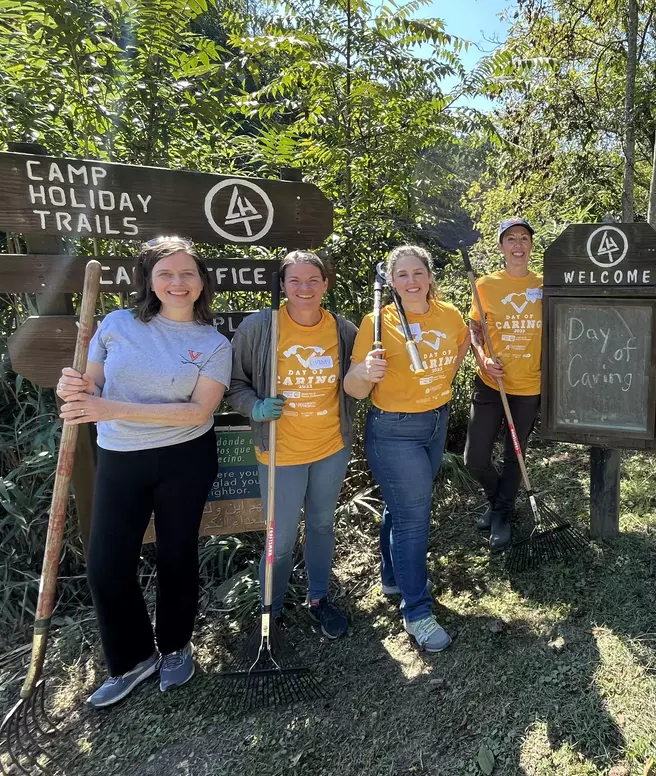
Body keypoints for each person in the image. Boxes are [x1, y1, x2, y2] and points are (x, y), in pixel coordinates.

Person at [55, 237, 231, 708]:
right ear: (150, 281)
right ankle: (133, 659)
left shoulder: (212, 343)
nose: (177, 282)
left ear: (201, 282)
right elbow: (87, 382)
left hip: (185, 458)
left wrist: (105, 405)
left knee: (176, 557)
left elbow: (198, 413)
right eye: (166, 274)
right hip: (120, 456)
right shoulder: (115, 324)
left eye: (187, 274)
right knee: (107, 565)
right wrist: (71, 384)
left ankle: (175, 647)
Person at [225, 250, 357, 639]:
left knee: (320, 525)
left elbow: (358, 380)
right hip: (280, 453)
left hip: (331, 447)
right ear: (282, 286)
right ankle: (272, 608)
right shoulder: (260, 328)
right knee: (279, 540)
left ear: (325, 285)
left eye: (313, 280)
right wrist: (256, 407)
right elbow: (234, 385)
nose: (304, 288)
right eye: (295, 280)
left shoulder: (342, 331)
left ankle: (319, 599)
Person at [344, 245, 470, 652]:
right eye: (402, 275)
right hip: (394, 430)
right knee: (414, 520)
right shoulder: (377, 323)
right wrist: (366, 372)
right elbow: (353, 388)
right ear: (392, 282)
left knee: (399, 509)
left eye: (419, 273)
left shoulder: (449, 315)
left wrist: (441, 383)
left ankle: (393, 578)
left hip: (436, 422)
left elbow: (460, 347)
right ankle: (417, 612)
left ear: (430, 276)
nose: (411, 281)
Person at [465, 217, 543, 553]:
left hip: (528, 385)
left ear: (530, 245)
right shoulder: (484, 286)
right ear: (501, 246)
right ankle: (500, 501)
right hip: (490, 384)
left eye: (523, 238)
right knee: (474, 457)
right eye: (510, 239)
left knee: (515, 454)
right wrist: (482, 358)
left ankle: (501, 514)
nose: (517, 245)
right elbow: (474, 331)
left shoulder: (545, 284)